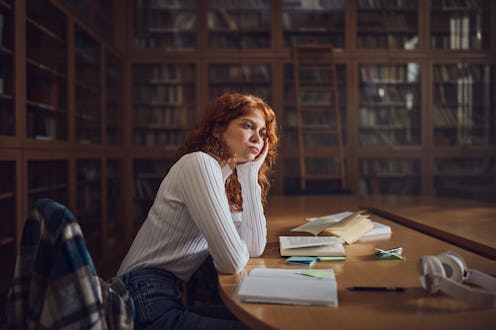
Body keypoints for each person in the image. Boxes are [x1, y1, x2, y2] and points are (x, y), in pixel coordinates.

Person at [117, 92, 279, 329]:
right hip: (142, 297)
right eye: (248, 126)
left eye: (262, 133)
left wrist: (250, 174)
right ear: (217, 130)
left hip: (162, 295)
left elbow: (253, 248)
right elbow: (232, 262)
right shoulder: (200, 164)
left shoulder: (224, 181)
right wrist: (233, 246)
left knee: (264, 323)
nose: (257, 138)